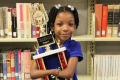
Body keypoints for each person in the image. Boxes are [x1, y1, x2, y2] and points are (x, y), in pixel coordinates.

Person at [30, 4, 83, 80]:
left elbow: (69, 73)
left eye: (70, 24)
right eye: (60, 24)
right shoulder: (43, 47)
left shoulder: (74, 46)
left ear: (75, 26)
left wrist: (50, 72)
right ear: (52, 26)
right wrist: (52, 72)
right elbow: (33, 73)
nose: (65, 28)